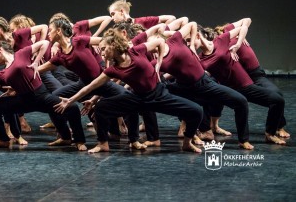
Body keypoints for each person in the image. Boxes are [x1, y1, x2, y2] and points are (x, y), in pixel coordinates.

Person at [54, 32, 203, 153]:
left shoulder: (136, 51)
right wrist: (72, 100)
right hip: (138, 97)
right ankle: (103, 144)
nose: (102, 52)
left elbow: (159, 43)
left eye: (104, 48)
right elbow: (90, 86)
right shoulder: (112, 70)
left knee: (196, 111)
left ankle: (187, 142)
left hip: (158, 95)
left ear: (113, 46)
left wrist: (159, 63)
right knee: (101, 107)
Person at [0, 40, 87, 151]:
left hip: (41, 96)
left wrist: (36, 61)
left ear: (0, 50)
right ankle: (2, 139)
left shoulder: (21, 54)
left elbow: (45, 43)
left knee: (72, 107)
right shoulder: (1, 74)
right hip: (24, 100)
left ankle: (73, 139)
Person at [147, 21, 253, 149]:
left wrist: (191, 45)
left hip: (204, 84)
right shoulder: (156, 62)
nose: (150, 45)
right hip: (183, 88)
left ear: (160, 39)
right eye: (149, 44)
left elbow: (192, 24)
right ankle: (190, 135)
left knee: (241, 101)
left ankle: (243, 140)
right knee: (182, 106)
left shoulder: (175, 40)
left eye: (152, 41)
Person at [38, 18, 132, 141]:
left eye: (50, 30)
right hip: (83, 84)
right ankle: (65, 136)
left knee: (129, 99)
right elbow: (39, 70)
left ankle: (123, 135)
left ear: (59, 31)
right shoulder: (60, 56)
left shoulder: (79, 41)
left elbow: (105, 41)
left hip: (101, 83)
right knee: (53, 99)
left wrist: (127, 46)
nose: (48, 33)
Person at [194, 24, 287, 145]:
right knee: (239, 106)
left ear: (198, 36)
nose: (189, 45)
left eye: (190, 41)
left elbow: (243, 27)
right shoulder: (200, 59)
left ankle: (270, 133)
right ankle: (241, 140)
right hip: (229, 90)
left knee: (278, 100)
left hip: (246, 86)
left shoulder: (220, 41)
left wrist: (237, 45)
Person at [213, 18, 290, 139]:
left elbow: (247, 20)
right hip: (242, 77)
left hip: (256, 74)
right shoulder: (220, 45)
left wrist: (239, 41)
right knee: (217, 94)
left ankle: (279, 127)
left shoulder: (230, 30)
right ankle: (213, 126)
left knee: (277, 94)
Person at [107, 0, 181, 29]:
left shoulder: (141, 21)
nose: (112, 18)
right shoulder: (117, 31)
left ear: (122, 11)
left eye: (113, 14)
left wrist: (159, 35)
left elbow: (171, 18)